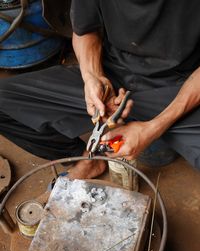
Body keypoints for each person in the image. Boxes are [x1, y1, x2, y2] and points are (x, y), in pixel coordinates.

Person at [0, 0, 200, 179]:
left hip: (181, 87)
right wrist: (92, 76)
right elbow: (84, 31)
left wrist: (154, 127)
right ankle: (85, 160)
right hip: (115, 73)